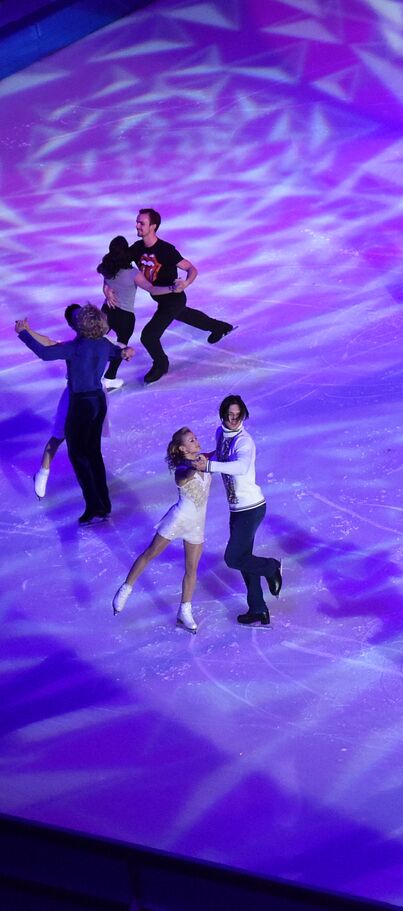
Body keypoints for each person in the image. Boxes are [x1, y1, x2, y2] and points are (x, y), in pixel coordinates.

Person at [16, 306, 133, 524]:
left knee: (79, 456)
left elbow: (45, 353)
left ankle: (93, 505)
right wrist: (125, 352)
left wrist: (23, 334)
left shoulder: (76, 347)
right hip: (98, 400)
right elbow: (118, 352)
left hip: (81, 404)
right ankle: (104, 504)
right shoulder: (103, 343)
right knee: (94, 454)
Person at [112, 428, 212, 632]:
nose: (196, 441)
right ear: (183, 448)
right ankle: (126, 589)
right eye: (191, 440)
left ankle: (184, 611)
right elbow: (187, 471)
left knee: (192, 569)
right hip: (178, 520)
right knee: (150, 554)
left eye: (195, 438)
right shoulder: (182, 469)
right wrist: (197, 465)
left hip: (197, 524)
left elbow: (217, 453)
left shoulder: (203, 458)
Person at [196, 395, 283, 625]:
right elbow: (222, 455)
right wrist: (207, 456)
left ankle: (271, 567)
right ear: (223, 415)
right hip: (237, 509)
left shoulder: (245, 441)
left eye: (238, 415)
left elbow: (241, 466)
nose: (234, 419)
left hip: (251, 507)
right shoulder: (220, 433)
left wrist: (210, 466)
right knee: (244, 560)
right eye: (229, 415)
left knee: (234, 558)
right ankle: (258, 609)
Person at [130, 208, 235, 385]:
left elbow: (191, 269)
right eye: (137, 221)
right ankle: (220, 326)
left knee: (149, 335)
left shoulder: (166, 250)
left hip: (173, 299)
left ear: (153, 227)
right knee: (186, 315)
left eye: (142, 223)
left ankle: (161, 364)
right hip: (161, 299)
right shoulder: (136, 248)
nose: (137, 225)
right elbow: (116, 263)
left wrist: (185, 284)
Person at [97, 235, 168, 390]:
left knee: (96, 341)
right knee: (121, 347)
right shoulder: (132, 273)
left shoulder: (106, 267)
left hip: (107, 311)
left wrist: (106, 292)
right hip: (125, 317)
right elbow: (151, 288)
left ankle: (89, 373)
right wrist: (171, 288)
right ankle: (109, 378)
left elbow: (105, 285)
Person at [29, 304, 84, 499]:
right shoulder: (71, 348)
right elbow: (50, 344)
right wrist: (28, 331)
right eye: (78, 318)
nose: (83, 319)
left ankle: (89, 474)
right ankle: (42, 473)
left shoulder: (99, 339)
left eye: (85, 314)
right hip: (74, 395)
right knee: (59, 435)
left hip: (95, 396)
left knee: (88, 438)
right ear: (72, 325)